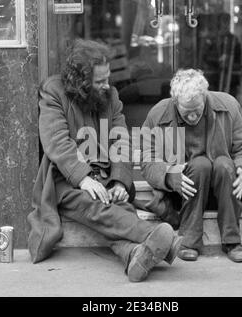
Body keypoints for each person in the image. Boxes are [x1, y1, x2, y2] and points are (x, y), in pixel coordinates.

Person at [27, 39, 181, 282]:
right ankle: (156, 235)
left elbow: (121, 141)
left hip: (105, 173)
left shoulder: (111, 96)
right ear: (80, 81)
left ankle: (134, 256)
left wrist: (120, 181)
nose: (106, 85)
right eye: (99, 81)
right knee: (95, 206)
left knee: (119, 205)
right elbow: (56, 140)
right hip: (64, 179)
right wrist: (84, 178)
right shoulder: (53, 92)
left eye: (107, 78)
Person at [140, 69, 242, 263]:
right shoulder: (158, 113)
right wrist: (169, 176)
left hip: (226, 190)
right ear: (174, 102)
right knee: (200, 165)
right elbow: (147, 160)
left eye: (197, 110)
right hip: (183, 193)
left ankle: (232, 240)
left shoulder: (228, 106)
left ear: (204, 97)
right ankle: (189, 240)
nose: (192, 117)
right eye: (186, 112)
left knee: (224, 163)